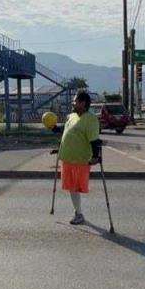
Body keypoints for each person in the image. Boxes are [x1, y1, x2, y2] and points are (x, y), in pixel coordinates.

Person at [54, 91, 101, 225]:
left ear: (83, 103)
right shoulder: (72, 116)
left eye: (75, 101)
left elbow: (94, 140)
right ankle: (78, 212)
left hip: (79, 159)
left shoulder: (90, 119)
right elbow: (66, 131)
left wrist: (96, 156)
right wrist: (54, 129)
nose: (72, 103)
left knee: (75, 188)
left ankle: (79, 214)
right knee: (71, 187)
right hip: (67, 158)